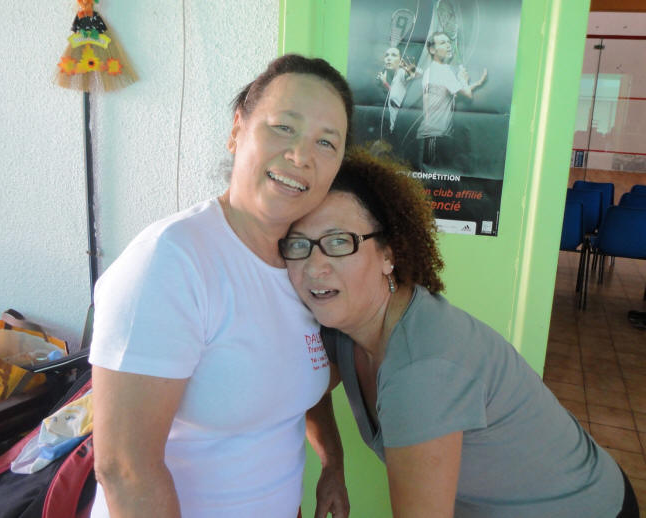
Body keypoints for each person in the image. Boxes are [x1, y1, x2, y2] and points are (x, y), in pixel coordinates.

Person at [281, 149, 640, 517]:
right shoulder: (342, 325)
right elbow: (308, 387)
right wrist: (332, 464)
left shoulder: (422, 370)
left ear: (388, 255)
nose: (314, 266)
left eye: (339, 241)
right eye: (298, 244)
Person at [89, 54, 354, 518]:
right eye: (284, 127)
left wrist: (332, 461)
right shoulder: (172, 262)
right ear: (237, 130)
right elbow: (125, 469)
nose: (301, 156)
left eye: (326, 142)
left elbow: (296, 378)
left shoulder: (305, 264)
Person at [416, 32, 487, 170]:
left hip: (433, 135)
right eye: (443, 43)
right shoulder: (443, 71)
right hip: (435, 135)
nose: (448, 45)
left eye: (449, 42)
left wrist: (476, 84)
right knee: (433, 176)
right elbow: (467, 95)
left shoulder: (432, 70)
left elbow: (453, 95)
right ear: (432, 49)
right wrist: (463, 79)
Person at [376, 47, 421, 134]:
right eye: (386, 55)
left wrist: (412, 72)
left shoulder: (401, 72)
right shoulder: (395, 77)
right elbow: (395, 94)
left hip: (401, 128)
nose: (388, 58)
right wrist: (385, 83)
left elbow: (417, 73)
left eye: (393, 55)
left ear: (401, 61)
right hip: (395, 129)